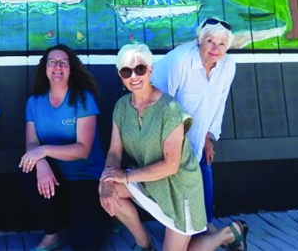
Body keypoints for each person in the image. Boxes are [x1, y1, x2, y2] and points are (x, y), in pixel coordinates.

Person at [100, 44, 247, 251]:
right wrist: (107, 180)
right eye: (127, 71)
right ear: (120, 76)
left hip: (179, 189)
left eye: (140, 69)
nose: (134, 76)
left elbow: (171, 166)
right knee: (107, 188)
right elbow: (114, 152)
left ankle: (229, 234)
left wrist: (124, 177)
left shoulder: (169, 108)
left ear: (150, 70)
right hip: (148, 180)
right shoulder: (122, 107)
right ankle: (144, 245)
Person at [18, 45, 109, 250]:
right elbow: (31, 144)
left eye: (63, 62)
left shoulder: (83, 98)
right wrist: (41, 163)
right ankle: (52, 234)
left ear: (71, 68)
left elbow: (83, 149)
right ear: (45, 68)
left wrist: (44, 151)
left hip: (87, 179)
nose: (57, 67)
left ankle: (109, 216)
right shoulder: (34, 102)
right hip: (55, 178)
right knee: (27, 168)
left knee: (85, 244)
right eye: (52, 62)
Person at [151, 18, 236, 232]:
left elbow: (219, 102)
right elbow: (162, 103)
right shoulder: (180, 61)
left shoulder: (228, 66)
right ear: (199, 41)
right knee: (173, 174)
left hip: (197, 131)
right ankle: (181, 226)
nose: (215, 48)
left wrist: (207, 137)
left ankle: (206, 225)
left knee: (203, 164)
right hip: (164, 127)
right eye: (210, 41)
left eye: (222, 44)